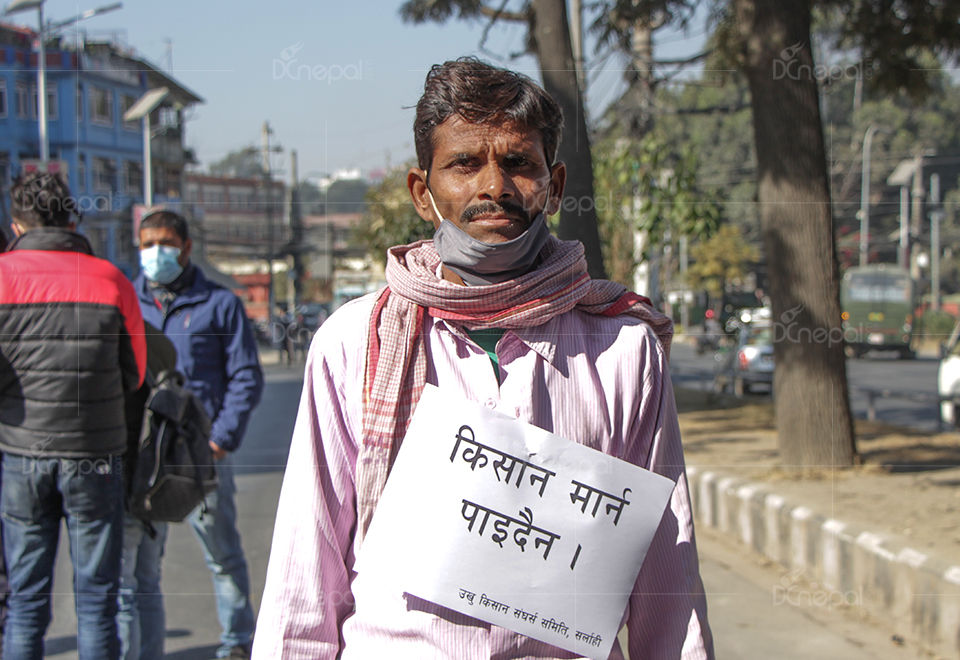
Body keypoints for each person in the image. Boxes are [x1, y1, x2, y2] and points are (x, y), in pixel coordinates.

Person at [253, 58, 713, 659]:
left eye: (518, 163)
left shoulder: (624, 349)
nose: (494, 186)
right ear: (422, 193)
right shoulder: (353, 342)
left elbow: (665, 579)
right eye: (465, 164)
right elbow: (306, 571)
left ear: (555, 186)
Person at [0, 171, 146, 659]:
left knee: (24, 602)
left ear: (17, 226)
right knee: (98, 601)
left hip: (22, 453)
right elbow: (135, 373)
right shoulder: (110, 279)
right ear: (72, 220)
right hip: (95, 455)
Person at [133, 210, 264, 659]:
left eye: (165, 244)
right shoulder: (128, 301)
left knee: (222, 555)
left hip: (200, 455)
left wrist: (219, 439)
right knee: (143, 567)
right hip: (145, 457)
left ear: (187, 248)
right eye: (146, 245)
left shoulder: (220, 304)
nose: (155, 253)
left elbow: (246, 376)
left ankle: (236, 643)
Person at [117, 323, 177, 660]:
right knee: (148, 582)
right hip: (156, 484)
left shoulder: (111, 343)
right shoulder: (156, 342)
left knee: (122, 592)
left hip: (124, 485)